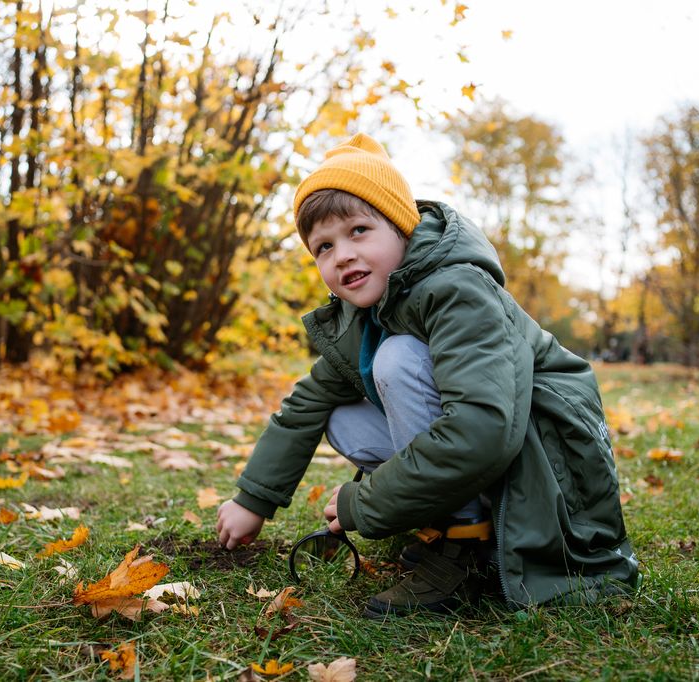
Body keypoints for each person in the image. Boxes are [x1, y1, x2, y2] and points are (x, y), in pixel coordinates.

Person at [216, 133, 638, 617]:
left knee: (397, 361)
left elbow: (482, 428)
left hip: (543, 449)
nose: (342, 255)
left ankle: (466, 540)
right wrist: (253, 500)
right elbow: (304, 406)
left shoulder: (456, 289)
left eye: (358, 231)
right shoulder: (367, 315)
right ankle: (448, 527)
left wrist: (366, 503)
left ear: (402, 228)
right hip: (491, 444)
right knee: (340, 416)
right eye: (323, 247)